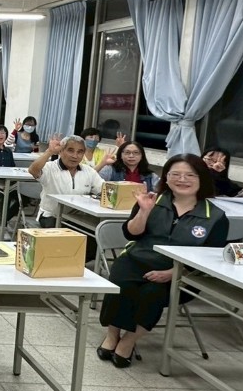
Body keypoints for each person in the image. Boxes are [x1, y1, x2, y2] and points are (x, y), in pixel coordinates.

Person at [98, 154, 229, 368]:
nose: (182, 179)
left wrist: (173, 273)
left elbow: (211, 259)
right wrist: (144, 212)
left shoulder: (215, 216)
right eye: (175, 174)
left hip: (182, 274)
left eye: (190, 175)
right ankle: (112, 335)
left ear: (202, 178)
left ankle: (129, 340)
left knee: (152, 293)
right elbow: (131, 234)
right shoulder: (152, 200)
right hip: (137, 259)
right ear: (166, 178)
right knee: (121, 282)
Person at [28, 134, 106, 227]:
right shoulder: (50, 167)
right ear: (61, 151)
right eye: (70, 150)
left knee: (97, 230)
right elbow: (33, 170)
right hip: (51, 216)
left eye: (80, 152)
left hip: (78, 218)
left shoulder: (89, 171)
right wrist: (50, 151)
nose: (75, 156)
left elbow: (104, 190)